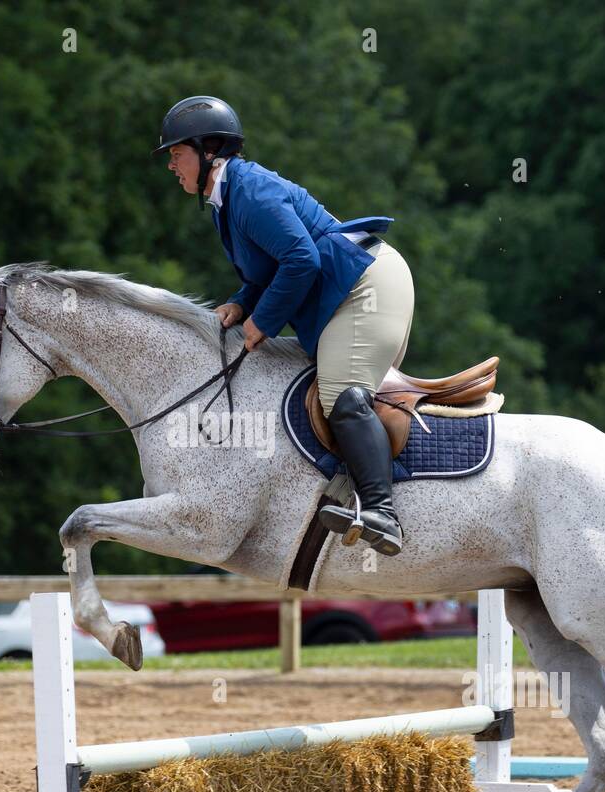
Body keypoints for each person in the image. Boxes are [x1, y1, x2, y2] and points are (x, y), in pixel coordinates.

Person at [152, 95, 416, 555]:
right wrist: (239, 303)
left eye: (176, 153)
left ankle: (382, 512)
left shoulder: (249, 192)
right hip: (346, 289)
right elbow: (271, 270)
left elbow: (301, 259)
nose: (172, 165)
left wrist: (261, 324)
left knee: (340, 395)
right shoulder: (228, 199)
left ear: (207, 150)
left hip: (367, 286)